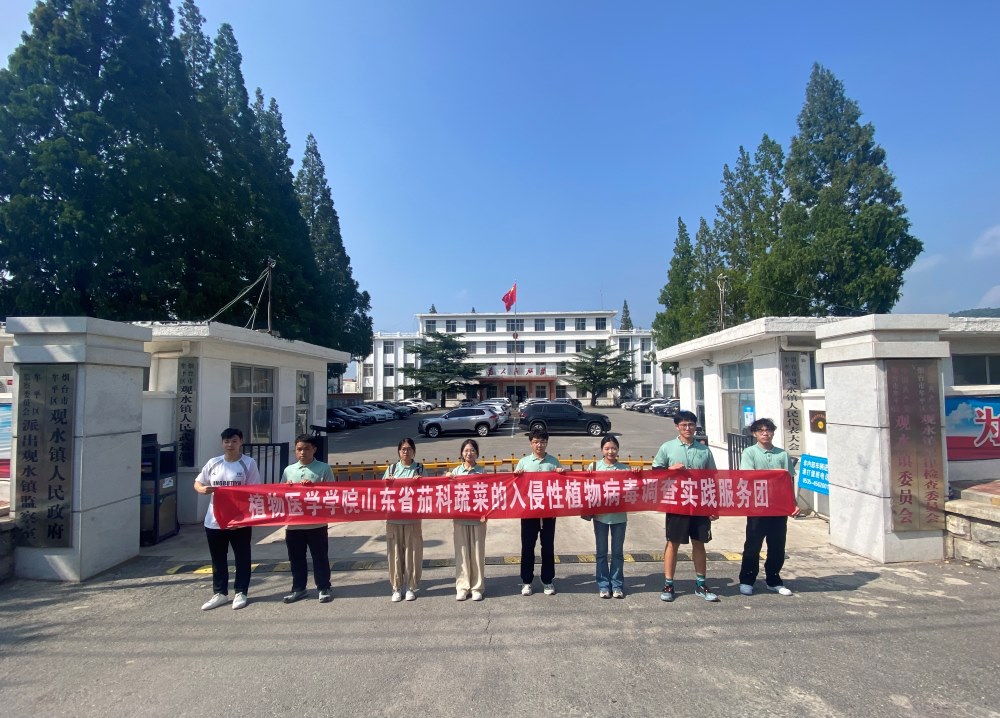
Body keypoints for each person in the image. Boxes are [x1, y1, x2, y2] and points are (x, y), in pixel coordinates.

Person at [652, 410, 720, 603]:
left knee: (699, 543)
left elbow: (712, 479)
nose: (688, 428)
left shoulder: (704, 450)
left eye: (691, 425)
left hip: (699, 504)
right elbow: (655, 472)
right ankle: (668, 583)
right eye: (684, 425)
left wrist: (714, 505)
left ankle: (701, 584)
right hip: (677, 504)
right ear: (677, 427)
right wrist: (669, 469)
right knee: (672, 543)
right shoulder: (668, 447)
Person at [193, 428, 261, 611]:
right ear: (222, 443)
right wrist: (202, 489)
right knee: (218, 558)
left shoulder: (248, 463)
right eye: (226, 441)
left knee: (242, 557)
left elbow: (255, 491)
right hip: (214, 521)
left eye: (234, 441)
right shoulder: (213, 463)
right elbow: (198, 482)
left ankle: (241, 591)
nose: (230, 445)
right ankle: (220, 593)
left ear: (241, 442)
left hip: (240, 521)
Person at [738, 418, 795, 597]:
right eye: (761, 430)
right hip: (758, 506)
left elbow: (788, 481)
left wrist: (792, 503)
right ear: (754, 433)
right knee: (753, 545)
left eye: (768, 430)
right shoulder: (749, 453)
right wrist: (773, 475)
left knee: (777, 545)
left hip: (778, 507)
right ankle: (747, 580)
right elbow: (748, 476)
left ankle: (774, 580)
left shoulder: (782, 454)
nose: (765, 433)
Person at [281, 434, 335, 604]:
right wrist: (287, 488)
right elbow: (279, 494)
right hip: (294, 524)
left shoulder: (324, 468)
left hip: (316, 523)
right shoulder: (289, 470)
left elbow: (333, 492)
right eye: (299, 449)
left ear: (314, 449)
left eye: (306, 448)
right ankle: (299, 589)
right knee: (296, 558)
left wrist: (315, 488)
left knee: (320, 556)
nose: (302, 452)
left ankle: (324, 587)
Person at [513, 427, 565, 596]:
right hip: (528, 513)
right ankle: (526, 581)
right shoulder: (524, 463)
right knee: (527, 547)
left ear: (546, 443)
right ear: (530, 444)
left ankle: (547, 580)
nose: (539, 445)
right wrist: (517, 475)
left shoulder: (553, 462)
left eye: (542, 442)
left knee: (548, 547)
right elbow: (515, 488)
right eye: (536, 442)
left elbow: (562, 486)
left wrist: (561, 473)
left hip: (548, 513)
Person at [586, 434, 639, 599]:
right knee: (601, 553)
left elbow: (635, 489)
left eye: (614, 448)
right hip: (600, 517)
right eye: (607, 448)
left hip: (619, 518)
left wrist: (636, 474)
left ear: (618, 450)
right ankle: (603, 585)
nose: (611, 451)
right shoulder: (594, 467)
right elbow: (585, 488)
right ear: (602, 450)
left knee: (617, 553)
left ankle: (617, 585)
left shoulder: (624, 469)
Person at [445, 438, 488, 602]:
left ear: (477, 453)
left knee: (477, 554)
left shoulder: (482, 472)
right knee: (462, 554)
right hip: (460, 518)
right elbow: (446, 494)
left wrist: (486, 513)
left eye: (472, 450)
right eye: (466, 450)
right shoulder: (455, 472)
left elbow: (488, 495)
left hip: (478, 519)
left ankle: (477, 587)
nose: (469, 453)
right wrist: (446, 478)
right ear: (461, 453)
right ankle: (462, 587)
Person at [383, 437, 424, 602]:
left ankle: (411, 587)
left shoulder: (420, 469)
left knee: (412, 553)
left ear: (414, 451)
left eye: (409, 449)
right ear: (399, 452)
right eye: (403, 449)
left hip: (412, 518)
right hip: (393, 518)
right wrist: (389, 484)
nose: (406, 452)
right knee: (395, 554)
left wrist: (419, 483)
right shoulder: (392, 469)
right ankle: (396, 587)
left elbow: (429, 490)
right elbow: (381, 491)